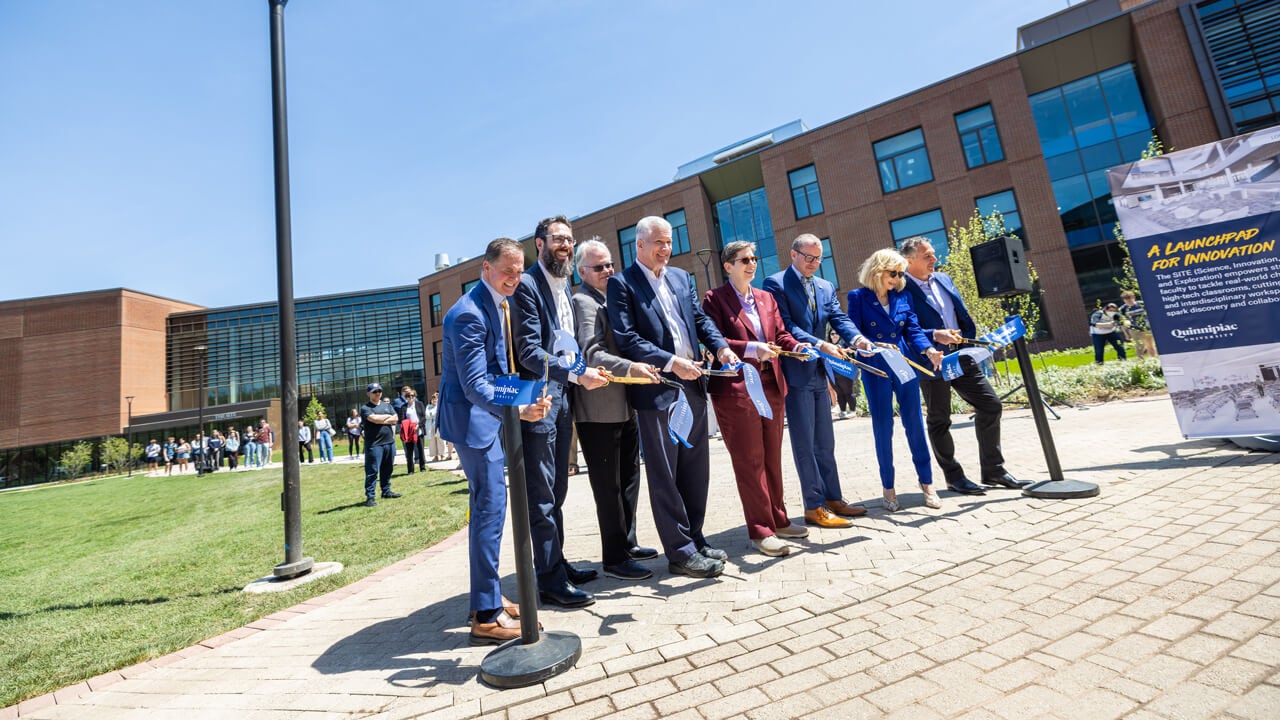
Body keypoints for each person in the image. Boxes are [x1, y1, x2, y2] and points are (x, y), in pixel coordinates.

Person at [608, 215, 740, 579]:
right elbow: (627, 338)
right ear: (639, 245)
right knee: (666, 476)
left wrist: (721, 347)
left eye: (668, 242)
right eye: (658, 243)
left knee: (696, 471)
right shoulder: (622, 284)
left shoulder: (681, 278)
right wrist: (670, 362)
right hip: (658, 391)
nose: (666, 249)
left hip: (694, 386)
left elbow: (699, 320)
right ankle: (680, 553)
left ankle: (695, 538)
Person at [438, 238, 552, 645]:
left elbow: (499, 370)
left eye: (520, 271)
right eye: (507, 270)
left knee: (491, 509)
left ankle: (487, 598)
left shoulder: (499, 302)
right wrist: (519, 409)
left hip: (487, 417)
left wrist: (526, 398)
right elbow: (475, 385)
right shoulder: (468, 314)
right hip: (473, 421)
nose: (515, 278)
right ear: (485, 268)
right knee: (490, 510)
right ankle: (486, 615)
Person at [511, 215, 610, 608]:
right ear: (539, 243)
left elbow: (567, 344)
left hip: (564, 397)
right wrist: (578, 372)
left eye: (569, 239)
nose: (565, 245)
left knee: (559, 489)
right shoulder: (528, 287)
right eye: (557, 239)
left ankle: (558, 564)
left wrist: (580, 373)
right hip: (539, 400)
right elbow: (529, 352)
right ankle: (549, 581)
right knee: (541, 494)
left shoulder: (564, 285)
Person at [702, 240, 811, 557]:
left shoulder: (766, 298)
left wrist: (797, 348)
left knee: (772, 457)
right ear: (728, 266)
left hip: (771, 385)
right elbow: (715, 339)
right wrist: (751, 349)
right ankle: (761, 530)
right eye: (744, 259)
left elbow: (779, 335)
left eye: (754, 258)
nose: (751, 264)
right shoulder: (714, 299)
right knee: (750, 461)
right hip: (737, 389)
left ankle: (778, 519)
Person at [900, 237, 1023, 494]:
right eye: (927, 256)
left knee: (991, 405)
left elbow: (960, 313)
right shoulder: (900, 289)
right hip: (931, 361)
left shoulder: (944, 279)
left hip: (961, 355)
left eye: (934, 254)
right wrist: (935, 334)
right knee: (939, 419)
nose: (934, 259)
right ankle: (954, 477)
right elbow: (903, 329)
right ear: (909, 260)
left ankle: (993, 471)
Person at [763, 233, 870, 529]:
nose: (813, 264)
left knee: (825, 441)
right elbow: (786, 325)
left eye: (818, 259)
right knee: (805, 444)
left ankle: (833, 498)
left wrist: (857, 339)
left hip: (821, 373)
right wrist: (820, 345)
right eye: (808, 257)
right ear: (793, 254)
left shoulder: (824, 286)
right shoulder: (776, 283)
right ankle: (814, 506)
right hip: (796, 373)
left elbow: (838, 317)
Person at [571, 238, 661, 580]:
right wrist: (631, 367)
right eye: (599, 267)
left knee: (629, 479)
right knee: (608, 486)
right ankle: (614, 557)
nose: (608, 271)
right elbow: (590, 353)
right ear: (582, 272)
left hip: (625, 406)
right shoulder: (583, 302)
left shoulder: (612, 298)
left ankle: (628, 542)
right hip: (599, 411)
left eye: (610, 264)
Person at [847, 248, 944, 511]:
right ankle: (888, 488)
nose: (898, 278)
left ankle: (927, 484)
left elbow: (912, 328)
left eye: (901, 274)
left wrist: (928, 349)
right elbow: (852, 331)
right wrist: (867, 345)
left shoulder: (903, 296)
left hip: (904, 364)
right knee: (883, 427)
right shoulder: (857, 297)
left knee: (915, 423)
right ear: (878, 271)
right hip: (876, 366)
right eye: (894, 273)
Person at [360, 383, 402, 506]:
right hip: (374, 444)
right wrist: (387, 417)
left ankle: (386, 491)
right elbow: (373, 419)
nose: (377, 393)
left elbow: (395, 419)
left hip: (389, 442)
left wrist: (382, 419)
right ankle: (370, 497)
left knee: (387, 469)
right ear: (368, 393)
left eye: (379, 391)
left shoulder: (387, 405)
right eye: (374, 391)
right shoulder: (365, 408)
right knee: (372, 471)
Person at [393, 387, 427, 474]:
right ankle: (410, 470)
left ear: (414, 396)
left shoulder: (419, 404)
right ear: (406, 397)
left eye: (412, 396)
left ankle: (422, 467)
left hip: (418, 430)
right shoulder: (404, 407)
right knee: (409, 451)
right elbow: (402, 419)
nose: (411, 398)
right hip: (409, 431)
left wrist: (418, 426)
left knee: (420, 449)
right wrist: (409, 426)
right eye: (408, 396)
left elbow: (423, 417)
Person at [828, 328, 860, 418]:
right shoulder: (827, 345)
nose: (834, 335)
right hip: (833, 372)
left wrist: (847, 350)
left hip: (846, 371)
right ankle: (843, 411)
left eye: (837, 333)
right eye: (832, 334)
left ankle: (853, 411)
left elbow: (854, 348)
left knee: (848, 392)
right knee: (839, 392)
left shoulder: (845, 344)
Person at [1120, 291, 1157, 359]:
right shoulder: (1123, 309)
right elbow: (1122, 323)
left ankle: (1154, 360)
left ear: (1134, 298)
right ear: (1123, 300)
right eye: (1126, 299)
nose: (1128, 300)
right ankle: (1141, 362)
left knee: (1150, 345)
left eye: (1129, 298)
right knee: (1139, 346)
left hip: (1146, 328)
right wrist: (1126, 333)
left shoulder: (1142, 304)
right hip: (1134, 329)